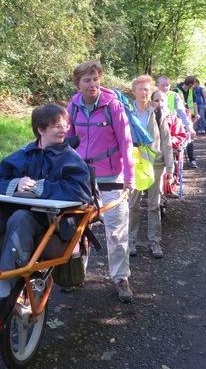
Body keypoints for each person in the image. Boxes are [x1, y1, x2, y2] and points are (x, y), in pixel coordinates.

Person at [0, 103, 92, 335]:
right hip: (15, 217)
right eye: (57, 126)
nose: (64, 129)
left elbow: (80, 192)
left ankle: (3, 294)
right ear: (40, 129)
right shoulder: (24, 154)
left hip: (50, 224)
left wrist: (40, 188)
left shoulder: (71, 158)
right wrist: (14, 184)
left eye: (65, 125)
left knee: (21, 215)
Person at [66, 61, 136, 303]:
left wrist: (129, 178)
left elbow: (126, 143)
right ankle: (76, 274)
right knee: (79, 229)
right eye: (87, 80)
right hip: (82, 178)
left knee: (116, 231)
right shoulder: (72, 107)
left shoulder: (112, 106)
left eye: (96, 79)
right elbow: (66, 142)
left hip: (111, 177)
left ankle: (121, 279)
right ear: (78, 84)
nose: (93, 84)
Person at [127, 77, 174, 258]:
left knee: (154, 205)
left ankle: (154, 241)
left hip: (156, 163)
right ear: (134, 91)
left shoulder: (158, 112)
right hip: (134, 163)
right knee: (133, 205)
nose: (144, 92)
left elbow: (166, 139)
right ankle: (131, 240)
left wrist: (169, 167)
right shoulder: (126, 111)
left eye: (147, 89)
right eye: (140, 89)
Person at [152, 90, 187, 198]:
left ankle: (165, 190)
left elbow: (180, 136)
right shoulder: (146, 116)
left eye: (162, 100)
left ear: (167, 102)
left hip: (166, 151)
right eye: (156, 100)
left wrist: (168, 141)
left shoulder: (173, 118)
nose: (159, 103)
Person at [157, 76, 197, 168]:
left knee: (184, 139)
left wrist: (189, 127)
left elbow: (182, 112)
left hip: (171, 127)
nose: (165, 88)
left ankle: (188, 161)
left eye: (167, 85)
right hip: (156, 127)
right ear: (158, 85)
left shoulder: (174, 96)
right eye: (162, 85)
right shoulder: (153, 96)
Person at [175, 75, 199, 168]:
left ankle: (192, 160)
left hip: (188, 115)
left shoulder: (191, 90)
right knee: (179, 138)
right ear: (191, 84)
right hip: (178, 118)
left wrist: (196, 113)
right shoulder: (176, 90)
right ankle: (176, 161)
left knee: (189, 139)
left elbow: (194, 101)